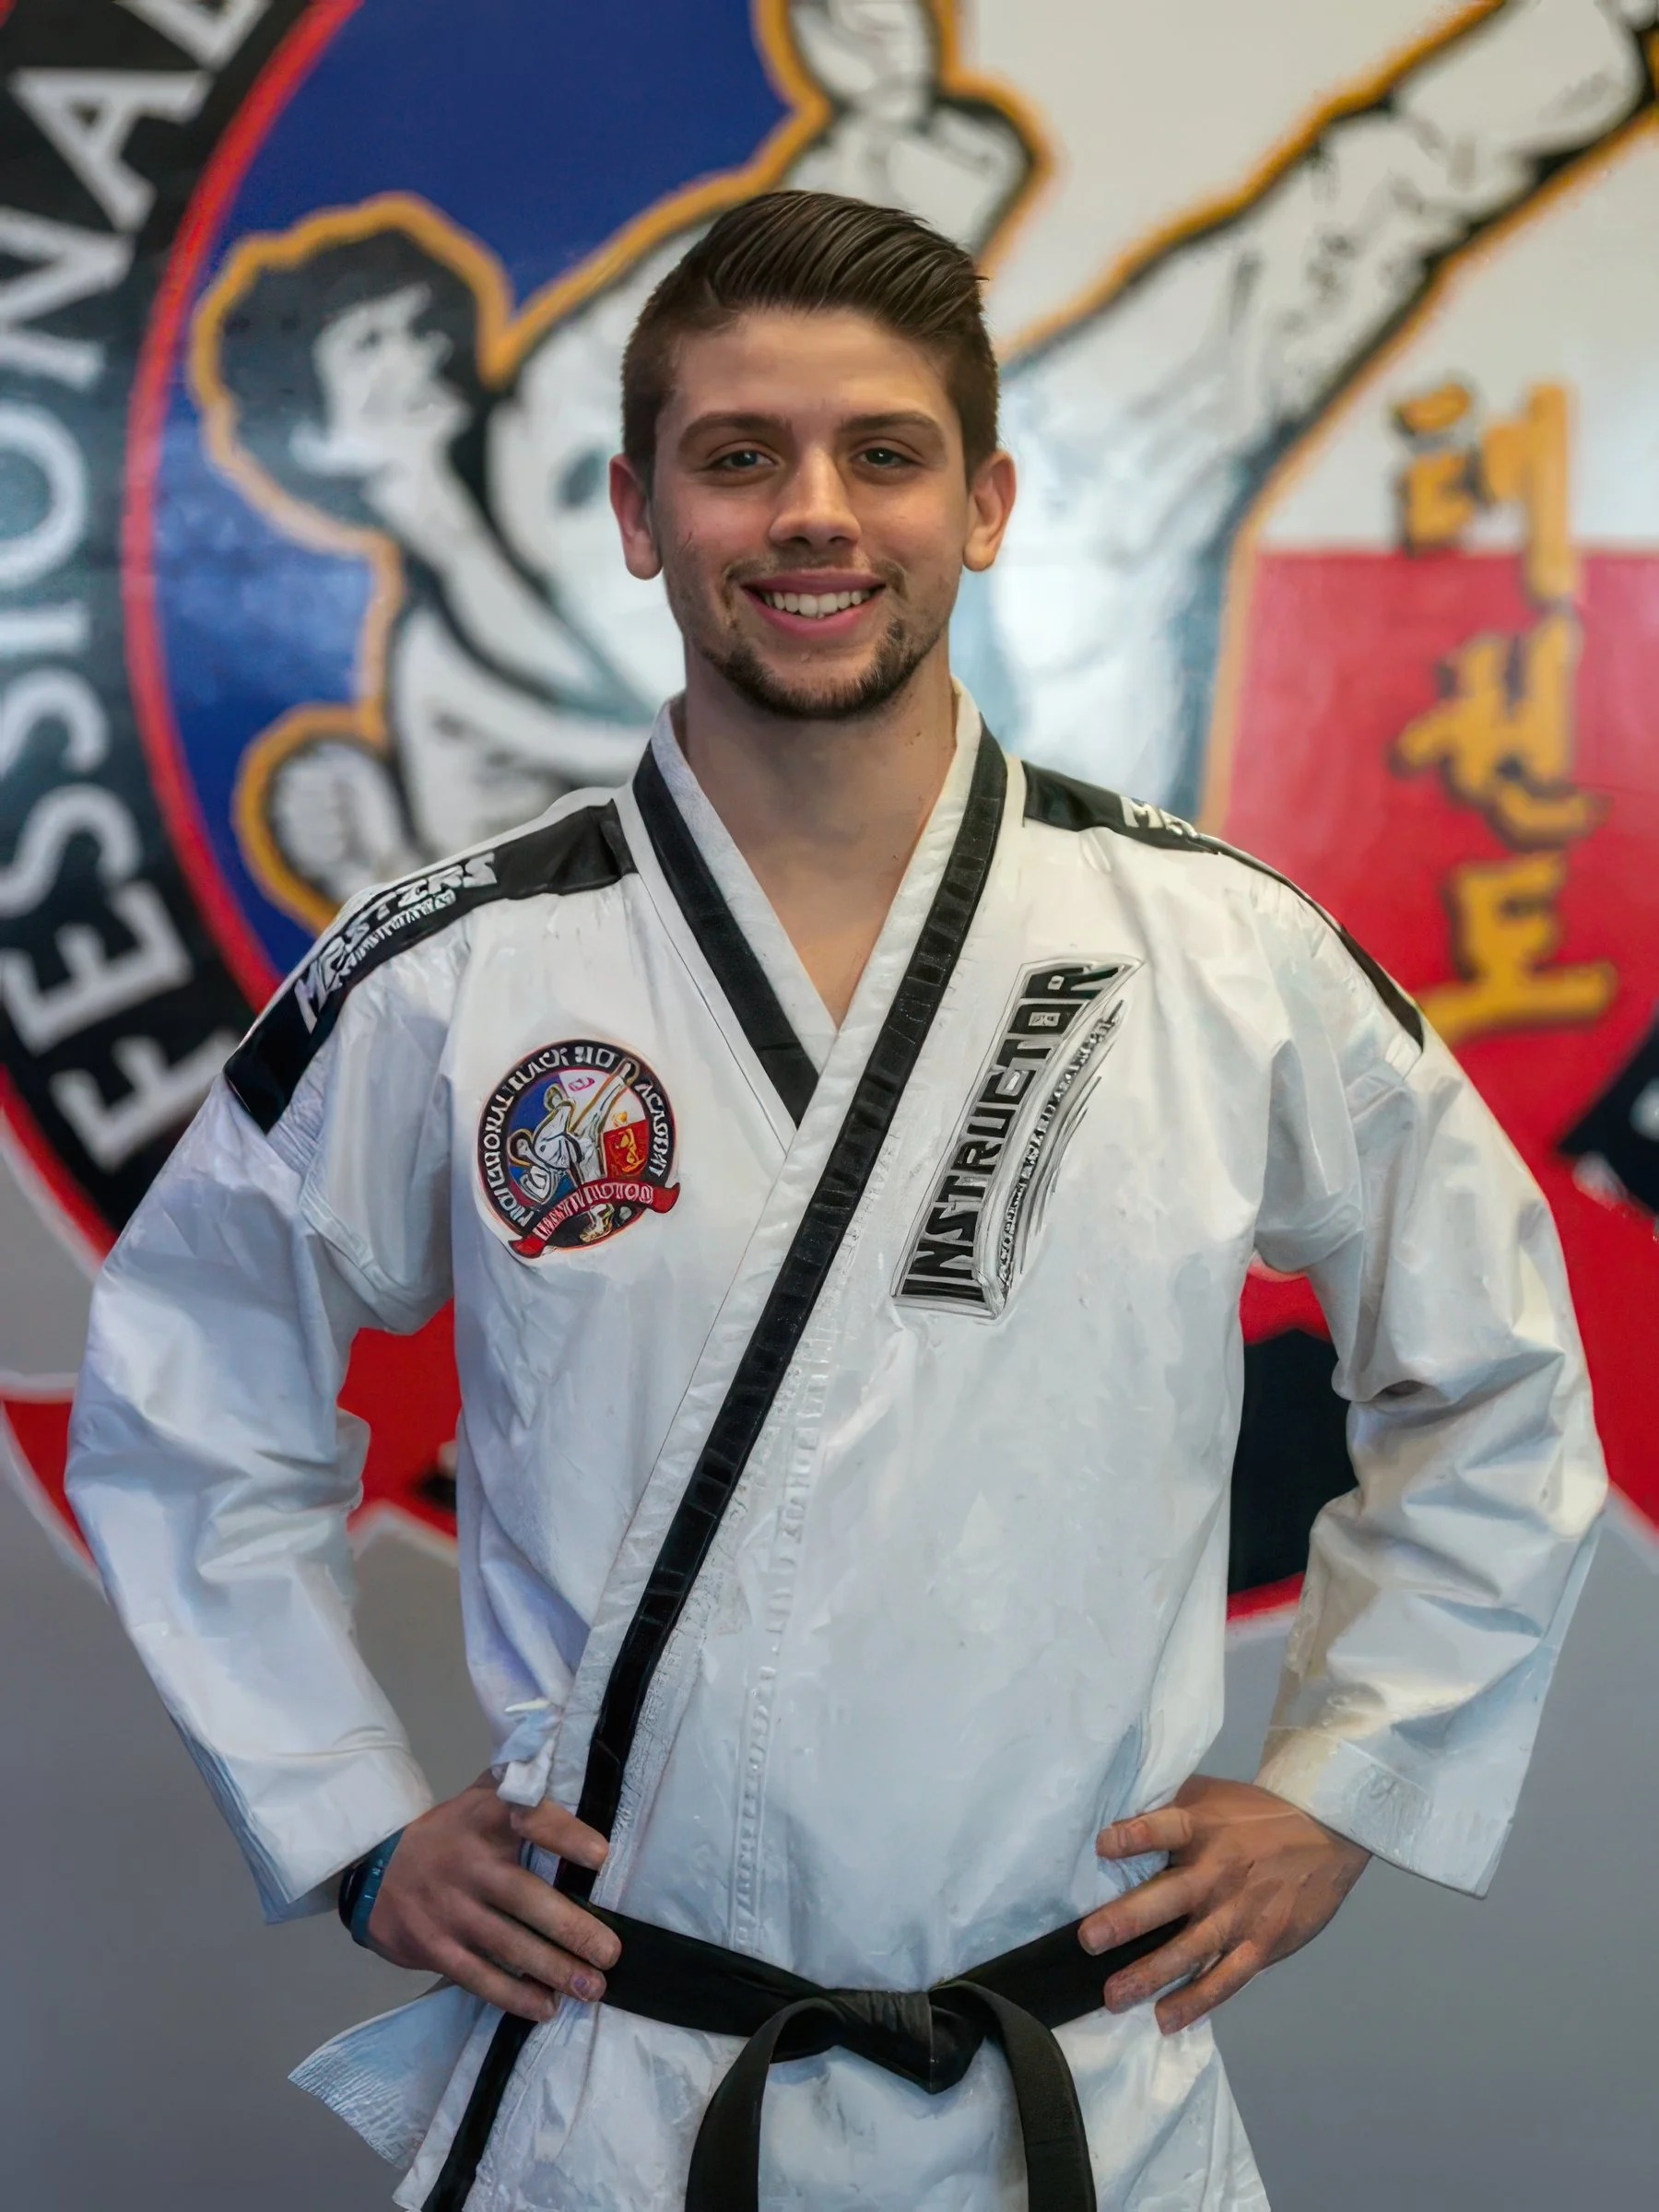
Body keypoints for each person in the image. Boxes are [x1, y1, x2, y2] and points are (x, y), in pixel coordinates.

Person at [68, 193, 1604, 2210]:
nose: (814, 514)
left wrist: (1353, 1779)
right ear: (639, 514)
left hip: (1079, 2086)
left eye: (884, 453)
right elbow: (186, 1396)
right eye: (738, 456)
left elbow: (1496, 1374)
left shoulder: (1221, 951)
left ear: (985, 505)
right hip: (622, 2091)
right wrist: (350, 1820)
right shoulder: (460, 969)